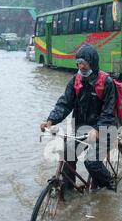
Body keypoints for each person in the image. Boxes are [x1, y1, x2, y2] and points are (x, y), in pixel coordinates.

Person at [40, 43, 117, 192]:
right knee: (68, 153)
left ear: (93, 63)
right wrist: (50, 120)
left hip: (105, 129)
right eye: (79, 63)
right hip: (81, 128)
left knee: (91, 162)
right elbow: (64, 103)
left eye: (84, 63)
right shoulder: (75, 81)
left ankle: (109, 184)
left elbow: (109, 112)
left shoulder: (107, 83)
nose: (81, 66)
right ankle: (69, 191)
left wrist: (97, 129)